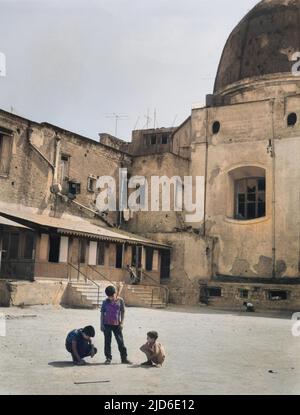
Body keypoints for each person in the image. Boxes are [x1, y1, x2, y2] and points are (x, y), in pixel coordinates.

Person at [100, 285, 132, 365]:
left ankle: (124, 358)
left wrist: (122, 323)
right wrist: (101, 325)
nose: (111, 298)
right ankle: (108, 358)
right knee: (107, 342)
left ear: (115, 293)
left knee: (120, 342)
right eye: (109, 296)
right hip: (106, 324)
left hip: (117, 324)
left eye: (112, 296)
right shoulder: (105, 302)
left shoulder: (120, 301)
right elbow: (102, 314)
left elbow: (123, 311)